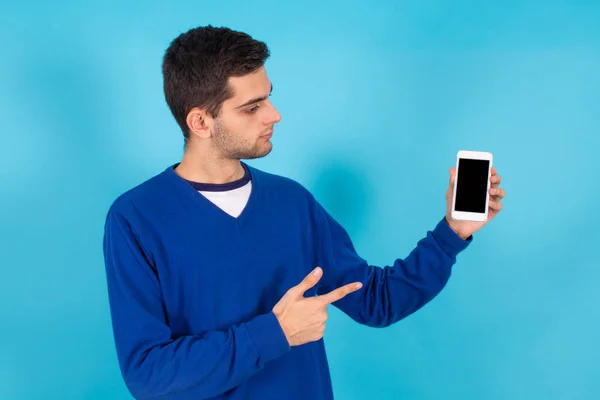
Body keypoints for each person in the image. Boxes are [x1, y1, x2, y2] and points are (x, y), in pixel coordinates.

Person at [102, 25, 505, 400]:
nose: (273, 115)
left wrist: (453, 233)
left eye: (269, 97)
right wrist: (274, 333)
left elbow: (376, 301)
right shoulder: (136, 218)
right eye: (252, 107)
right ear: (201, 121)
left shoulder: (292, 203)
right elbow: (148, 373)